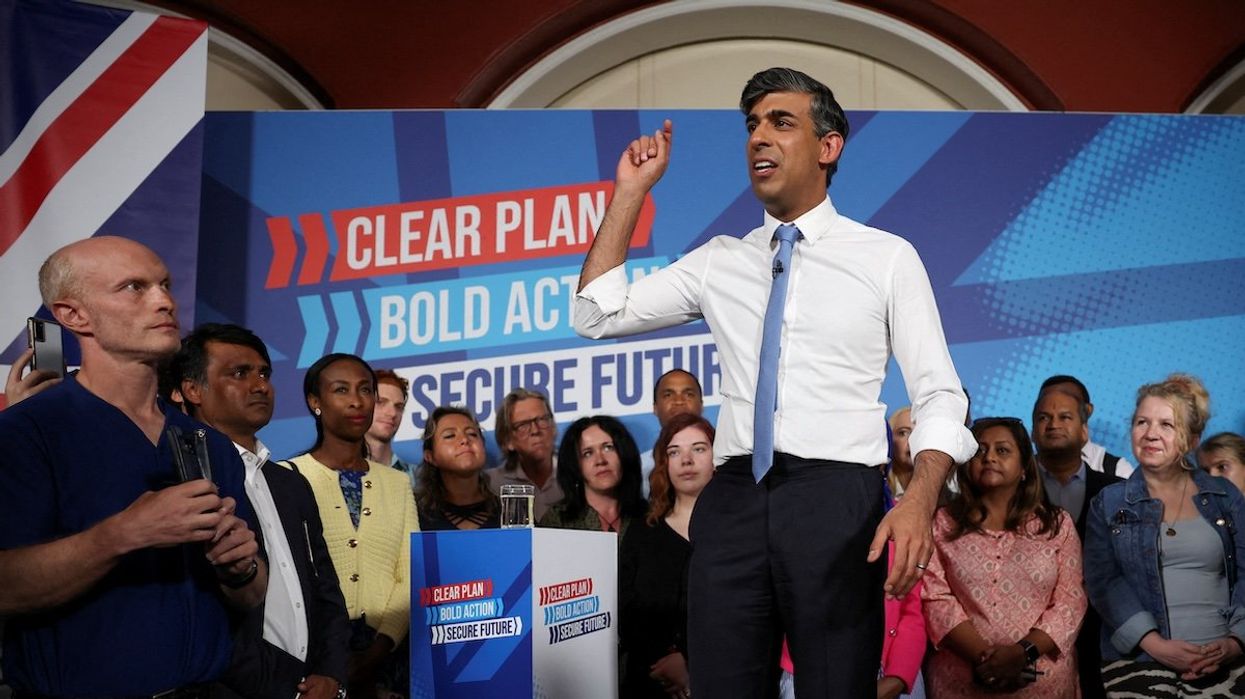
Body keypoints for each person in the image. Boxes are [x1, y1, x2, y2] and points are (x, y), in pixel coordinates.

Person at [572, 66, 975, 696]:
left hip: (836, 498)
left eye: (781, 122)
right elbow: (596, 314)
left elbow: (941, 394)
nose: (759, 137)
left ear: (828, 145)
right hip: (731, 496)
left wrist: (920, 499)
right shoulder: (719, 260)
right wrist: (631, 192)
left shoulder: (886, 257)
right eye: (752, 125)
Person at [0, 236, 265, 696]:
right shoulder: (26, 434)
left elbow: (251, 593)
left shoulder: (207, 442)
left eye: (165, 284)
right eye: (134, 288)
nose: (164, 301)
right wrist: (125, 533)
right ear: (72, 316)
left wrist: (238, 567)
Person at [173, 323, 349, 699]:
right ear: (192, 389)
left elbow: (326, 591)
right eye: (239, 373)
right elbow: (193, 611)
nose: (260, 385)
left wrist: (332, 676)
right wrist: (283, 687)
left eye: (264, 373)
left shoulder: (290, 483)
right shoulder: (178, 481)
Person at [1085, 375, 1245, 696]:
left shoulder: (1223, 495)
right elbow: (1103, 580)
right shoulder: (1108, 501)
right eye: (1142, 422)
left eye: (1166, 425)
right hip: (1139, 663)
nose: (1151, 434)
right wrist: (1155, 644)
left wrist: (1236, 642)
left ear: (1192, 440)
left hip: (1225, 663)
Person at [285, 353, 419, 699]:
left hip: (387, 662)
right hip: (310, 663)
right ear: (315, 401)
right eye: (341, 390)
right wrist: (334, 660)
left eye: (365, 389)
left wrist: (377, 650)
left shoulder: (397, 483)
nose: (357, 401)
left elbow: (410, 573)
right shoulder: (287, 477)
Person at [922, 417, 1085, 697]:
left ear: (1024, 468)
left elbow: (1071, 600)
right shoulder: (942, 523)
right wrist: (987, 660)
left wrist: (1023, 654)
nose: (989, 458)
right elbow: (934, 597)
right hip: (962, 681)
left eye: (1003, 450)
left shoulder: (1057, 525)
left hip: (1042, 682)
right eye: (980, 451)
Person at [1031, 384, 1122, 699]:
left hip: (1107, 634)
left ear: (1085, 431)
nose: (1053, 424)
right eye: (1044, 417)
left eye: (1064, 416)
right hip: (1033, 638)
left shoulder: (1118, 491)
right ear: (1031, 432)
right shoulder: (1011, 493)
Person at [619, 413, 715, 699]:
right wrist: (667, 663)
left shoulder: (739, 533)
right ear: (664, 464)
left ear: (717, 456)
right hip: (651, 682)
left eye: (698, 449)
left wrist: (689, 661)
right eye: (675, 452)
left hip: (724, 677)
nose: (686, 460)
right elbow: (625, 608)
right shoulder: (642, 531)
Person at [539, 415, 646, 541]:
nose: (600, 460)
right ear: (575, 464)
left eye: (608, 448)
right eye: (588, 453)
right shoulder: (557, 521)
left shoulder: (649, 516)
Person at [415, 405, 500, 530]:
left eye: (472, 434)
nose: (464, 440)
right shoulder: (414, 515)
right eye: (450, 436)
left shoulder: (512, 512)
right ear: (430, 456)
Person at [487, 388, 563, 520]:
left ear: (553, 427)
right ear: (507, 440)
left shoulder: (577, 477)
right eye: (523, 425)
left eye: (542, 420)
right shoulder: (490, 485)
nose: (535, 430)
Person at [1040, 375, 1134, 478]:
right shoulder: (1025, 468)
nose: (1055, 424)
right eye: (1047, 403)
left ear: (1088, 410)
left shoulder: (1118, 470)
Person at [366, 368, 416, 489]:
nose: (392, 413)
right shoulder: (334, 471)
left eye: (398, 407)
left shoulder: (417, 477)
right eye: (381, 402)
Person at [889, 406, 915, 499]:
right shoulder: (876, 495)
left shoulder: (952, 500)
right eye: (903, 433)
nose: (913, 439)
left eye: (919, 432)